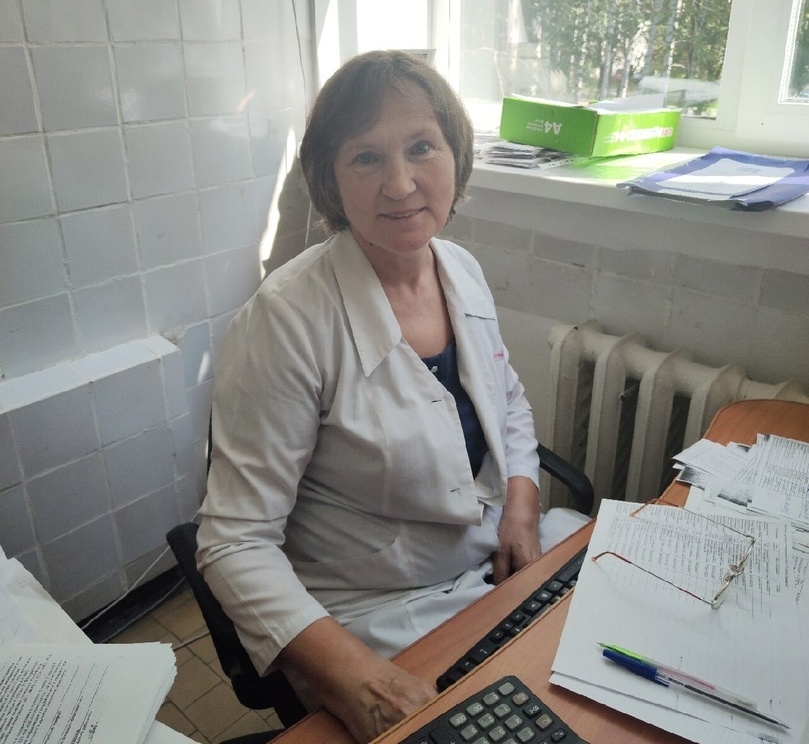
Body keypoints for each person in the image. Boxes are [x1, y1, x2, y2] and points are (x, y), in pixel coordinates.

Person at [196, 49, 589, 743]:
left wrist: (522, 507)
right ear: (330, 179)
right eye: (366, 158)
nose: (401, 183)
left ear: (455, 154)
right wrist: (358, 681)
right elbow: (234, 543)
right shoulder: (285, 321)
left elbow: (508, 401)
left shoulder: (459, 269)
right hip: (378, 616)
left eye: (421, 148)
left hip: (489, 558)